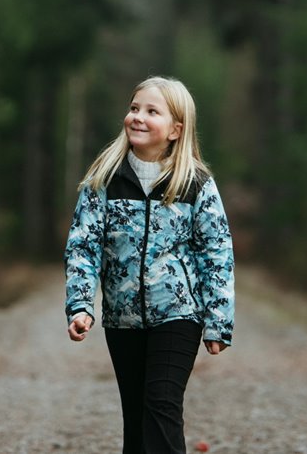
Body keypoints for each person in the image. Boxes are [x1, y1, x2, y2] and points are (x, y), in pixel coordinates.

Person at [64, 76, 235, 454]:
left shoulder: (195, 183)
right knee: (137, 415)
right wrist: (80, 305)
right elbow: (83, 246)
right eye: (134, 108)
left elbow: (216, 252)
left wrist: (217, 321)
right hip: (121, 319)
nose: (138, 117)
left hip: (179, 315)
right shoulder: (103, 181)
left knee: (162, 403)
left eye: (151, 111)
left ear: (176, 129)